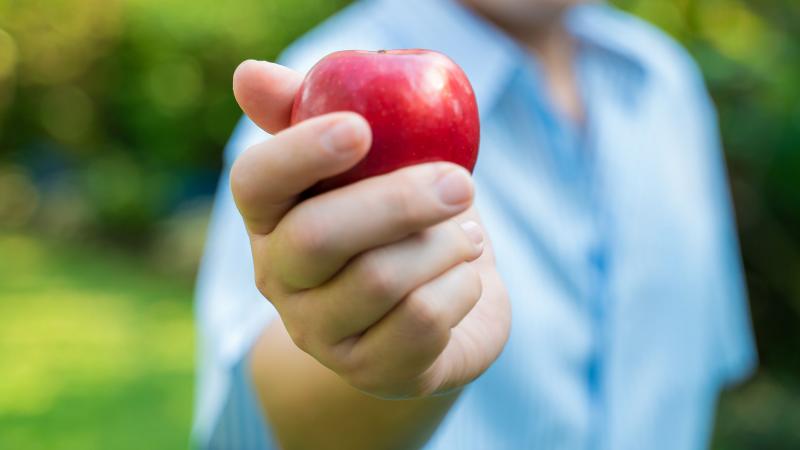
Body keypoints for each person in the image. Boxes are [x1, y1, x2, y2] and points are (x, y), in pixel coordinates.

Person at [192, 0, 757, 448]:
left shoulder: (664, 82)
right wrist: (383, 367)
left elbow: (694, 366)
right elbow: (271, 424)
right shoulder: (319, 102)